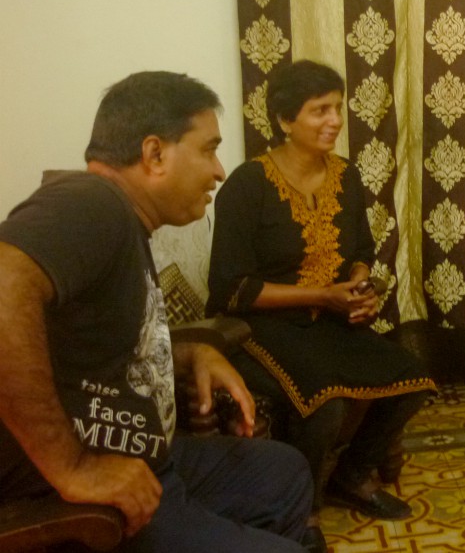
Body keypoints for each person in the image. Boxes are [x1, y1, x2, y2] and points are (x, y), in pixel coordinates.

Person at [0, 72, 316, 552]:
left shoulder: (124, 225)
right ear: (154, 154)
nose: (219, 171)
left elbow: (101, 344)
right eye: (208, 149)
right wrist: (71, 467)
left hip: (152, 459)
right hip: (77, 490)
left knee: (283, 471)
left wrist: (189, 354)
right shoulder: (91, 201)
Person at [207, 59, 435, 523]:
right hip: (260, 328)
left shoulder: (345, 176)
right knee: (324, 405)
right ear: (285, 120)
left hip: (329, 321)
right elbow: (233, 288)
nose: (334, 120)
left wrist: (356, 284)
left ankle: (353, 476)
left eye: (337, 108)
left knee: (411, 379)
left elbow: (361, 249)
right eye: (319, 110)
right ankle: (301, 510)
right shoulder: (246, 186)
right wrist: (320, 296)